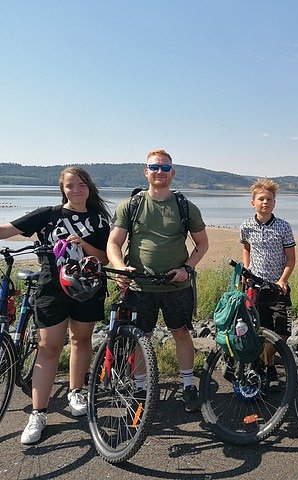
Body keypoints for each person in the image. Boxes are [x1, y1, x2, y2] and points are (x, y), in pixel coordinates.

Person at [0, 167, 110, 444]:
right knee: (48, 348)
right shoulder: (47, 215)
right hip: (51, 289)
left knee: (81, 340)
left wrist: (82, 243)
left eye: (82, 184)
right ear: (62, 189)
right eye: (71, 185)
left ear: (89, 187)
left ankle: (76, 392)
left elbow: (105, 258)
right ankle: (38, 413)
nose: (76, 190)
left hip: (88, 287)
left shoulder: (99, 220)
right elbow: (7, 230)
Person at [106, 149, 209, 412]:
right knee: (141, 337)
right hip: (140, 285)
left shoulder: (186, 207)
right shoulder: (131, 205)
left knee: (181, 333)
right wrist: (120, 267)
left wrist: (188, 267)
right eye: (155, 167)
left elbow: (202, 244)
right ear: (146, 172)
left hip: (177, 284)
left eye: (165, 168)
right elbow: (114, 243)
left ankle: (188, 384)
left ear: (172, 174)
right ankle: (141, 386)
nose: (160, 172)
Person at [240, 178, 295, 386]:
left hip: (278, 287)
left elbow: (291, 258)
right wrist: (247, 269)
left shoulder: (283, 227)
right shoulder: (246, 226)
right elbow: (246, 249)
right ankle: (269, 370)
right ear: (253, 202)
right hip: (255, 287)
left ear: (274, 202)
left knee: (282, 332)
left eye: (270, 199)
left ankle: (261, 363)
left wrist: (283, 279)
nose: (265, 202)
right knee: (261, 331)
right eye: (261, 199)